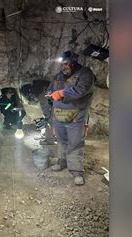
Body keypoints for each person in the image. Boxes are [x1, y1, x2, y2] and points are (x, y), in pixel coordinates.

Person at [48, 51, 95, 185]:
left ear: (74, 62)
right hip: (59, 114)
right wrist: (49, 93)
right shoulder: (58, 76)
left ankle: (76, 171)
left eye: (66, 64)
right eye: (62, 65)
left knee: (75, 142)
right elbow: (51, 89)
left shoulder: (85, 73)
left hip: (76, 115)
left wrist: (61, 93)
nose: (64, 67)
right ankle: (62, 162)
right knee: (61, 140)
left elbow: (82, 89)